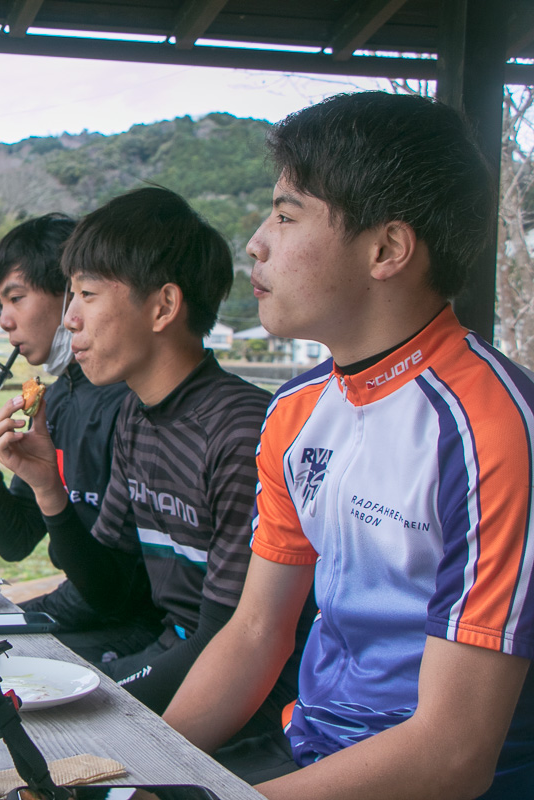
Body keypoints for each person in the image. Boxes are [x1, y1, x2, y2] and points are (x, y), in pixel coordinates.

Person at [161, 91, 534, 799]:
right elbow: (255, 634)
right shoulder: (297, 411)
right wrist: (145, 774)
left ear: (387, 248)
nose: (256, 242)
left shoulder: (494, 430)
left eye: (285, 214)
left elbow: (453, 754)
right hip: (308, 755)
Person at [0, 189, 306, 772]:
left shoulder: (239, 431)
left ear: (162, 308)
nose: (69, 319)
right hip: (172, 651)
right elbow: (106, 586)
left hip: (248, 700)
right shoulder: (137, 415)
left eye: (85, 294)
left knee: (32, 735)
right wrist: (47, 490)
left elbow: (228, 637)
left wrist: (117, 718)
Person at [0, 213, 138, 663]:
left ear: (70, 292)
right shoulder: (58, 397)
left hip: (120, 623)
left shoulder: (125, 403)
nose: (5, 321)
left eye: (16, 299)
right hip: (86, 608)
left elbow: (115, 592)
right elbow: (17, 541)